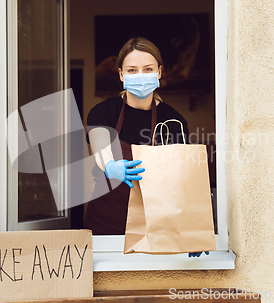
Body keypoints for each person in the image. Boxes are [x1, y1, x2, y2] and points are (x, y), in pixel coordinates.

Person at [84, 37, 207, 258]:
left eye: (147, 69)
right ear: (121, 75)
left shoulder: (173, 120)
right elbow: (99, 142)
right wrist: (110, 166)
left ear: (159, 72)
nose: (140, 76)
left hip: (156, 228)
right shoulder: (103, 112)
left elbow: (183, 181)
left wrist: (193, 229)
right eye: (132, 70)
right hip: (106, 226)